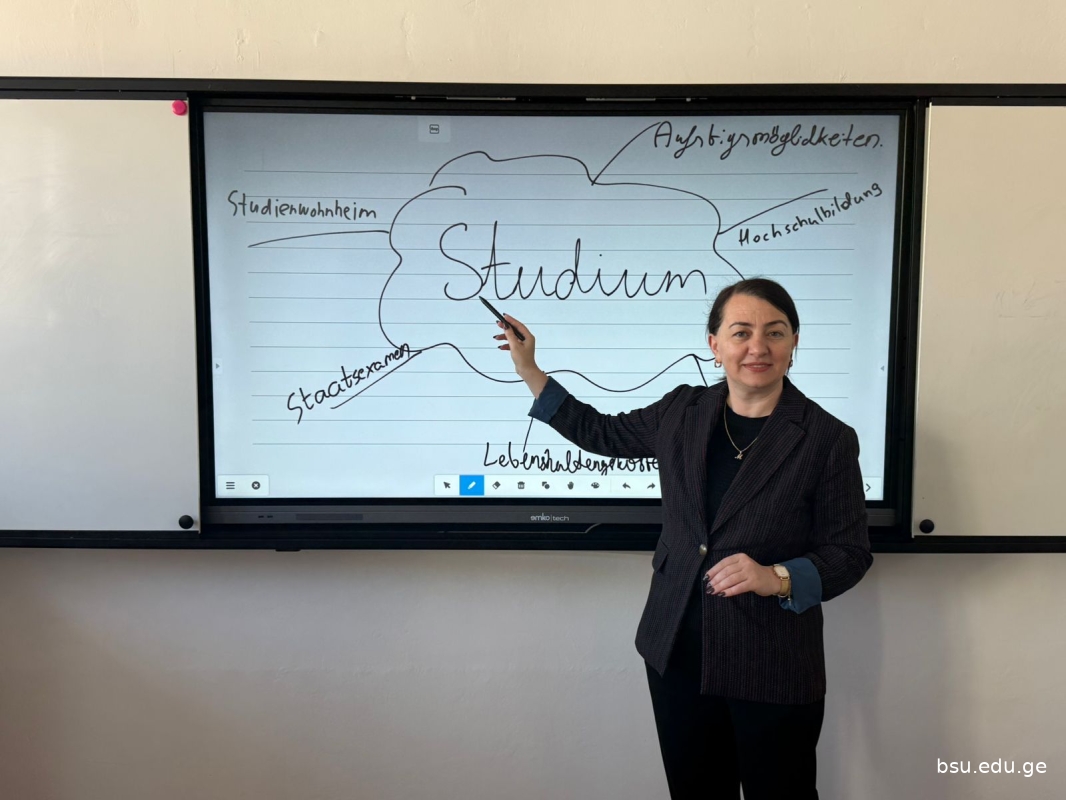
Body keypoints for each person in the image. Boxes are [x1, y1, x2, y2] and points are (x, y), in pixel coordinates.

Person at [494, 278, 872, 800]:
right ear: (715, 345)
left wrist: (777, 577)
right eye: (741, 332)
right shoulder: (682, 410)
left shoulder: (828, 439)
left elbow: (849, 553)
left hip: (772, 663)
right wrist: (530, 370)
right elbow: (603, 433)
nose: (757, 347)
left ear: (794, 343)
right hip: (676, 652)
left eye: (775, 332)